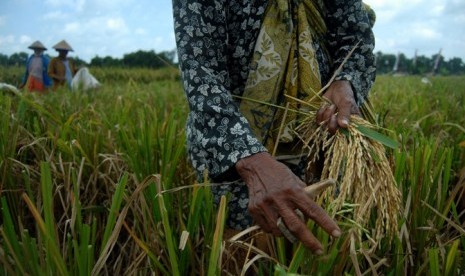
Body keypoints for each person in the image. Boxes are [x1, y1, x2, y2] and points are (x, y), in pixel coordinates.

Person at [172, 0, 376, 254]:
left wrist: (347, 82)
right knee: (243, 255)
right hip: (237, 158)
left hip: (323, 143)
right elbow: (201, 76)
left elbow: (356, 39)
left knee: (327, 251)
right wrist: (249, 161)